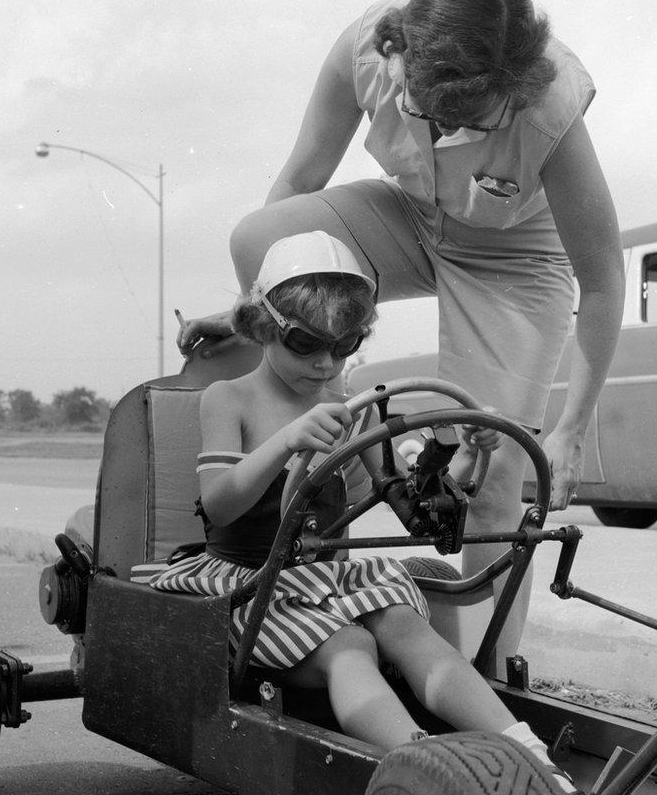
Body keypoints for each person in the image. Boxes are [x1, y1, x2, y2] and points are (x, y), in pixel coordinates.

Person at [179, 0, 625, 663]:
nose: (454, 134)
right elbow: (301, 177)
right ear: (402, 58)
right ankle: (322, 410)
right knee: (261, 234)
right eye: (435, 114)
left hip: (514, 259)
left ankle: (499, 670)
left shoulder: (551, 103)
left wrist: (571, 429)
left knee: (497, 463)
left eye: (476, 122)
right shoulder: (364, 49)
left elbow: (601, 281)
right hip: (412, 221)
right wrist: (251, 312)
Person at [138, 232, 580, 790]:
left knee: (405, 627)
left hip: (324, 577)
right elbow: (220, 507)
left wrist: (467, 455)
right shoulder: (230, 399)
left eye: (344, 347)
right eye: (305, 344)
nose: (326, 365)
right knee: (352, 645)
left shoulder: (354, 409)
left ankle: (532, 758)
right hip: (251, 585)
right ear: (264, 328)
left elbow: (417, 512)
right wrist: (285, 444)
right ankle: (431, 773)